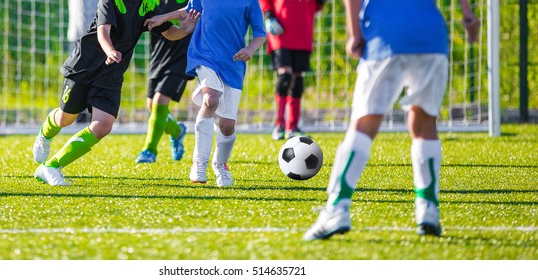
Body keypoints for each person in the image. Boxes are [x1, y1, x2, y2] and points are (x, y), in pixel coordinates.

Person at [303, 0, 480, 240]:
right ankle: (428, 208)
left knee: (364, 124)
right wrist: (467, 13)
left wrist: (355, 34)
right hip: (431, 36)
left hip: (385, 35)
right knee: (425, 124)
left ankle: (337, 207)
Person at [32, 0, 199, 186]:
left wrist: (184, 30)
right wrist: (110, 51)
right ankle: (44, 134)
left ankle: (51, 166)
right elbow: (103, 31)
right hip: (86, 65)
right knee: (65, 118)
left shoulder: (148, 5)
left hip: (111, 74)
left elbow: (168, 32)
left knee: (103, 125)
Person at [145, 0, 267, 187]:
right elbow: (186, 11)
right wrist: (163, 17)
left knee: (227, 125)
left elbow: (260, 33)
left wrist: (250, 49)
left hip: (233, 63)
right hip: (204, 56)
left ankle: (220, 165)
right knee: (210, 100)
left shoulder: (250, 2)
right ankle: (199, 163)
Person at [259, 0, 327, 140]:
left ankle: (293, 127)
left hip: (303, 31)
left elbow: (318, 5)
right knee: (285, 77)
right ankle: (279, 125)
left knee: (297, 79)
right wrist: (268, 16)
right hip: (281, 32)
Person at [135, 0, 192, 164]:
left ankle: (149, 150)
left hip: (181, 58)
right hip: (158, 56)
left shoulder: (192, 2)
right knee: (152, 105)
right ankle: (177, 131)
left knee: (160, 102)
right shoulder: (154, 2)